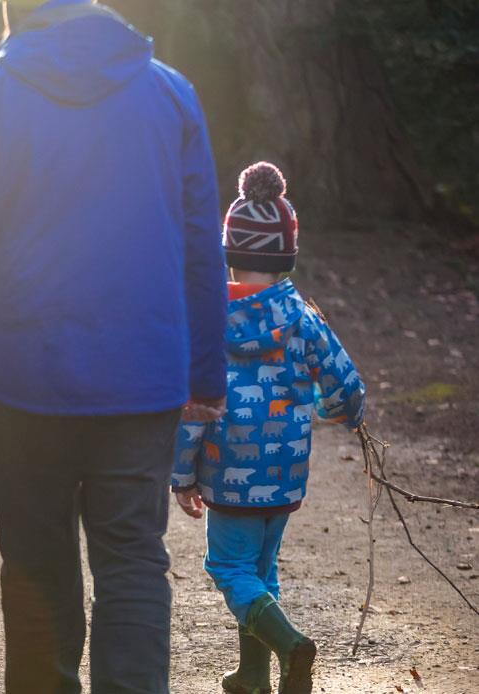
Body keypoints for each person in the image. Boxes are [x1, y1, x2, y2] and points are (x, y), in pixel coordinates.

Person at [0, 0, 229, 690]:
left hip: (27, 383)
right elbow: (201, 246)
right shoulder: (169, 93)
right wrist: (205, 375)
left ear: (14, 13)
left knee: (36, 562)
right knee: (133, 558)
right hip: (143, 384)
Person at [171, 162, 366, 694]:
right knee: (261, 565)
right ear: (287, 254)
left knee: (229, 566)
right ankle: (255, 674)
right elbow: (347, 387)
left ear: (228, 250)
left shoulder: (206, 322)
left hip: (228, 474)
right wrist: (342, 415)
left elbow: (193, 409)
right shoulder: (302, 316)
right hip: (283, 474)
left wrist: (181, 476)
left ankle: (289, 645)